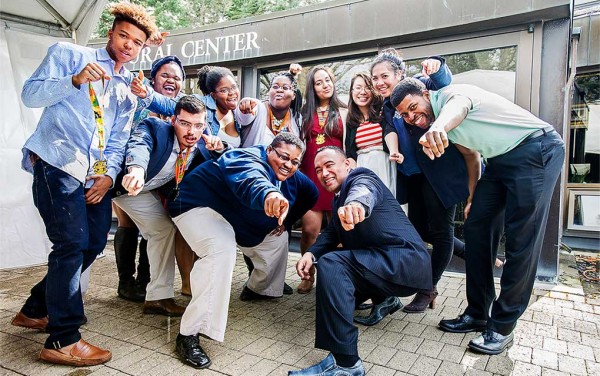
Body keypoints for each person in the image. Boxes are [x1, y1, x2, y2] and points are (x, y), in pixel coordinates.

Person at [12, 2, 160, 366]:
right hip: (57, 162)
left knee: (93, 242)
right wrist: (74, 80)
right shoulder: (69, 53)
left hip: (94, 175)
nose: (128, 45)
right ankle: (63, 338)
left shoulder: (129, 84)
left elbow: (118, 138)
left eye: (137, 42)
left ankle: (34, 309)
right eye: (123, 35)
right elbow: (30, 95)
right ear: (111, 33)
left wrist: (109, 175)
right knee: (71, 243)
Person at [391, 78, 565, 355]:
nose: (412, 118)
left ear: (426, 93)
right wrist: (473, 196)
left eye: (413, 107)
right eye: (405, 115)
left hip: (536, 149)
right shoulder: (445, 123)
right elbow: (472, 156)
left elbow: (458, 108)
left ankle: (503, 326)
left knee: (522, 240)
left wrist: (438, 126)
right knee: (476, 230)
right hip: (497, 162)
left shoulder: (453, 95)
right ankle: (478, 312)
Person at [166, 133, 318, 368]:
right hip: (197, 204)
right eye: (283, 157)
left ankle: (260, 289)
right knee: (221, 249)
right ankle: (189, 334)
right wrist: (270, 193)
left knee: (278, 238)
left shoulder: (296, 179)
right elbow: (250, 179)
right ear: (269, 150)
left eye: (295, 162)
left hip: (235, 218)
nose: (288, 165)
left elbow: (312, 195)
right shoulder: (245, 157)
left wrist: (285, 222)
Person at [289, 146, 432, 376]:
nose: (324, 173)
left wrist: (357, 205)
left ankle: (346, 363)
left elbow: (364, 192)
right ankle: (385, 300)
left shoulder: (361, 177)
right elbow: (331, 234)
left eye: (329, 165)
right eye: (318, 170)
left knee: (333, 263)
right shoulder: (337, 202)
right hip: (388, 265)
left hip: (404, 261)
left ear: (348, 164)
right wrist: (310, 254)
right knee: (336, 285)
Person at [358, 48, 469, 321]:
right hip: (414, 176)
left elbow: (443, 81)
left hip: (439, 173)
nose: (380, 82)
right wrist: (393, 149)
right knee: (418, 228)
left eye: (385, 75)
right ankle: (472, 250)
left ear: (400, 73)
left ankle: (427, 288)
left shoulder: (421, 85)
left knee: (441, 232)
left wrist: (437, 64)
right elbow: (389, 129)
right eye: (376, 78)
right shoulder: (387, 106)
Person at [112, 95, 225, 317]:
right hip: (117, 184)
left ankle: (158, 298)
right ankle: (57, 305)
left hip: (144, 192)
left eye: (198, 125)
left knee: (164, 230)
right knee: (84, 243)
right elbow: (139, 144)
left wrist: (219, 149)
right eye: (185, 123)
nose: (191, 132)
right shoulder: (156, 127)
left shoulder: (202, 146)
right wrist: (135, 169)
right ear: (174, 120)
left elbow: (226, 165)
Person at [113, 55, 186, 302]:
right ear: (153, 78)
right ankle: (126, 282)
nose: (171, 81)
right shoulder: (137, 100)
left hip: (161, 180)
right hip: (130, 172)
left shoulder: (177, 108)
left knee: (155, 227)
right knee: (128, 224)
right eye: (165, 75)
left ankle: (145, 281)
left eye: (177, 78)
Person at [297, 66, 347, 294]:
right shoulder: (304, 111)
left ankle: (337, 277)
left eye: (327, 80)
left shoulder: (345, 109)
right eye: (318, 82)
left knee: (341, 232)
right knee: (310, 230)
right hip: (310, 175)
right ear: (312, 87)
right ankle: (308, 275)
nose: (325, 85)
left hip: (336, 177)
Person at [345, 71, 396, 194]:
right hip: (364, 167)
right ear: (351, 92)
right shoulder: (351, 121)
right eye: (358, 88)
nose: (363, 92)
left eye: (367, 87)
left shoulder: (383, 111)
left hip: (386, 164)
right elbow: (350, 152)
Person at [237, 71, 301, 147]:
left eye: (285, 88)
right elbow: (243, 118)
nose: (279, 90)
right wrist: (245, 105)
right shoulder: (257, 107)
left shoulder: (297, 118)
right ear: (269, 91)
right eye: (275, 87)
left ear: (293, 95)